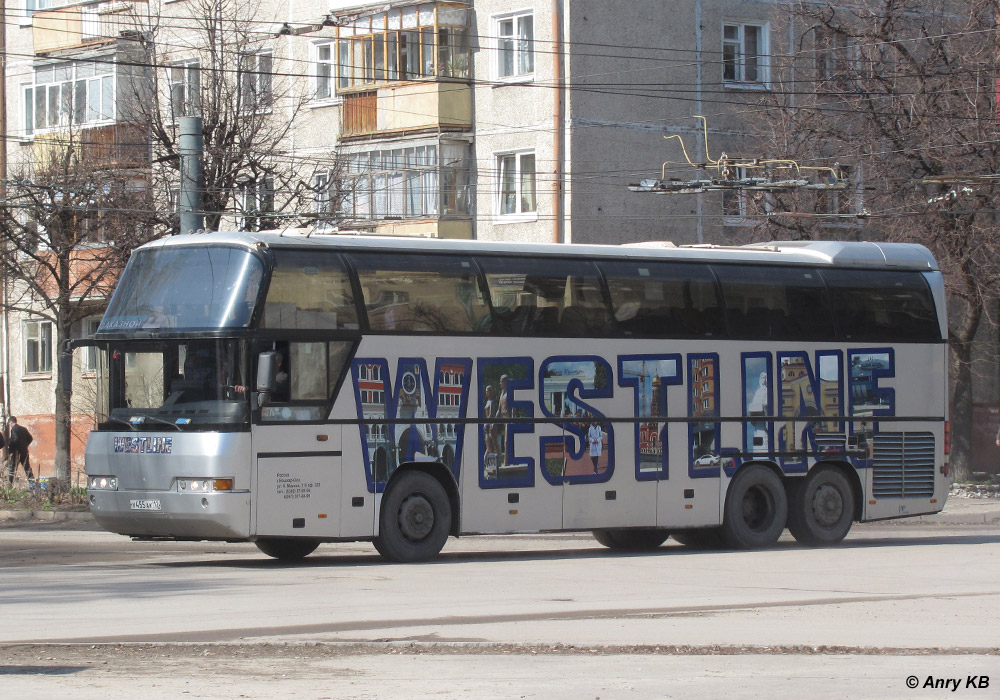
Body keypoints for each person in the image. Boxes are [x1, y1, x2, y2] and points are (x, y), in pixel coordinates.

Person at [6, 417, 34, 488]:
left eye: (9, 424)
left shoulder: (14, 429)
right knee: (27, 468)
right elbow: (30, 438)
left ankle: (10, 486)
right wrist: (24, 445)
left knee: (12, 468)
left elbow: (15, 439)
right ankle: (33, 485)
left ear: (11, 422)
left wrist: (10, 449)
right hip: (24, 451)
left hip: (17, 452)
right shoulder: (24, 429)